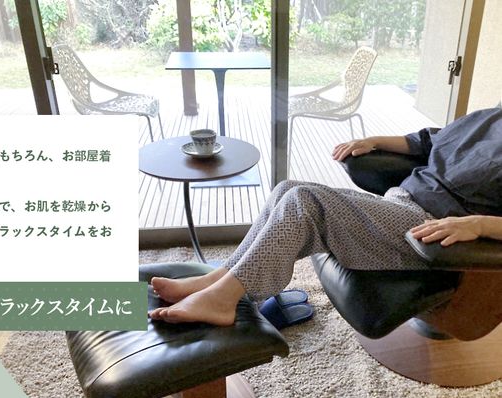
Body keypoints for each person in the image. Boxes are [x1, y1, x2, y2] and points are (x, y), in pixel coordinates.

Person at [149, 106, 502, 326]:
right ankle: (220, 279)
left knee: (304, 203)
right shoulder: (488, 117)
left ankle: (222, 300)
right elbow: (426, 141)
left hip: (431, 230)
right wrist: (374, 141)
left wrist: (479, 224)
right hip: (403, 200)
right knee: (288, 188)